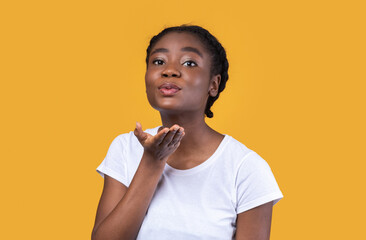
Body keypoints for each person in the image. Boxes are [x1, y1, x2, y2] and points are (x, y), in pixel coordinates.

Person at [91, 25, 283, 240]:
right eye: (158, 62)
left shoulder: (245, 167)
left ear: (213, 84)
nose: (169, 70)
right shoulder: (125, 148)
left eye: (189, 63)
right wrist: (152, 162)